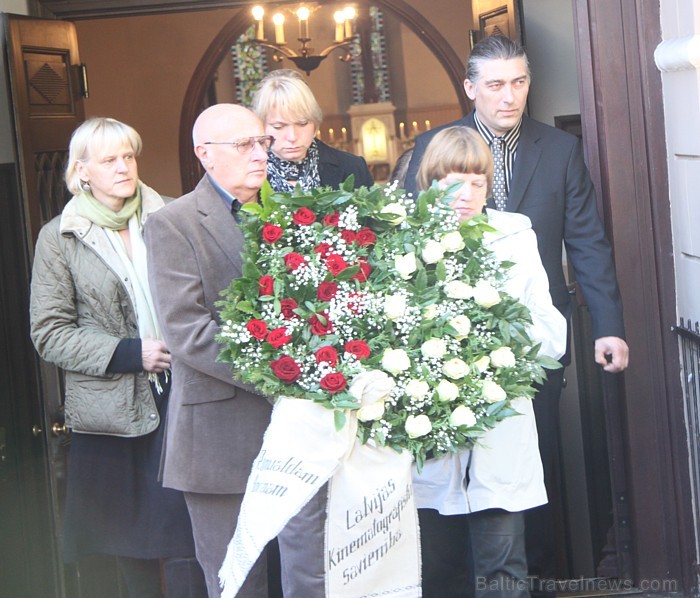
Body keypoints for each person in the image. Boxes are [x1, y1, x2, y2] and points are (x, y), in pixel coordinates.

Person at [404, 34, 629, 592]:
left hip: (529, 348)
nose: (510, 96)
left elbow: (587, 241)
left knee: (531, 474)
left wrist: (608, 326)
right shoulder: (432, 147)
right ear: (471, 88)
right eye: (497, 84)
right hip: (442, 364)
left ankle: (537, 580)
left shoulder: (557, 150)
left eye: (520, 82)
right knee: (447, 493)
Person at [29, 117, 206, 598]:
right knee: (133, 550)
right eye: (109, 160)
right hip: (113, 417)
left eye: (129, 156)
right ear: (82, 171)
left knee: (192, 542)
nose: (124, 167)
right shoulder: (59, 237)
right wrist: (132, 353)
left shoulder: (174, 216)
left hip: (183, 398)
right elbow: (49, 333)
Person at [413, 125, 566, 597]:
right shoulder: (404, 241)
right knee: (438, 572)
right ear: (429, 184)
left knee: (503, 570)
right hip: (429, 433)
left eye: (476, 183)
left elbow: (552, 333)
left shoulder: (514, 236)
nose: (465, 195)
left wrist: (494, 331)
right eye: (452, 183)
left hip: (500, 428)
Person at [251, 68, 373, 192]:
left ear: (315, 123)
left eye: (302, 124)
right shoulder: (246, 174)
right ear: (261, 127)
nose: (292, 137)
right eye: (278, 126)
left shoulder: (351, 167)